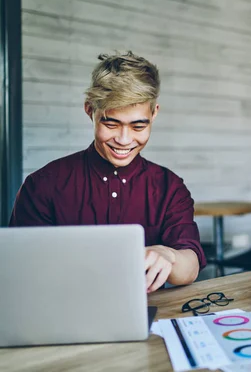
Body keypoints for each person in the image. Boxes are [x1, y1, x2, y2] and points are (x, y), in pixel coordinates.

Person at [10, 51, 206, 293]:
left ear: (154, 113)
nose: (124, 140)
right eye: (111, 124)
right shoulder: (42, 185)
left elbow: (191, 265)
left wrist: (168, 255)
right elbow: (20, 272)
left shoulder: (169, 187)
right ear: (89, 110)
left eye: (138, 126)